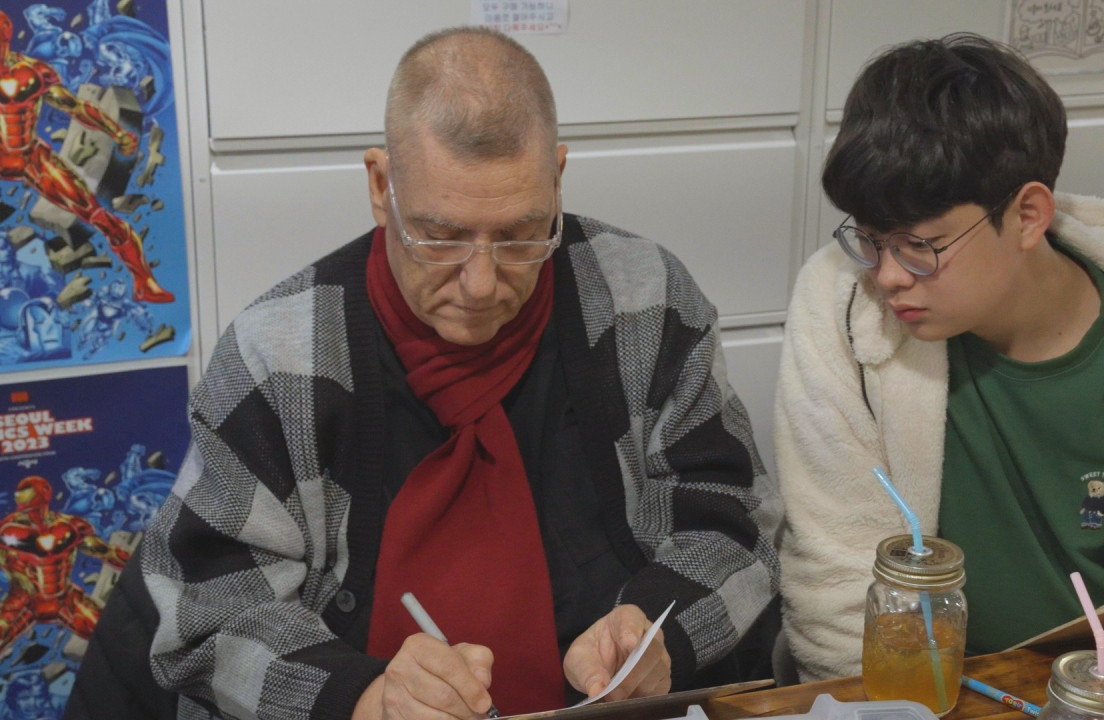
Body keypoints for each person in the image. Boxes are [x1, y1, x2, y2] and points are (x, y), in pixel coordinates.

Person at [67, 27, 780, 720]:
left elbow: (734, 514)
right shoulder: (276, 357)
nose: (481, 283)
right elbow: (207, 614)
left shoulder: (646, 301)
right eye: (440, 236)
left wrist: (664, 631)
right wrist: (364, 697)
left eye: (521, 234)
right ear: (381, 186)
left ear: (557, 179)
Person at [774, 33, 1104, 681]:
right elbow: (837, 576)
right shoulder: (843, 310)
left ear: (1027, 215)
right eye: (869, 240)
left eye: (919, 245)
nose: (888, 276)